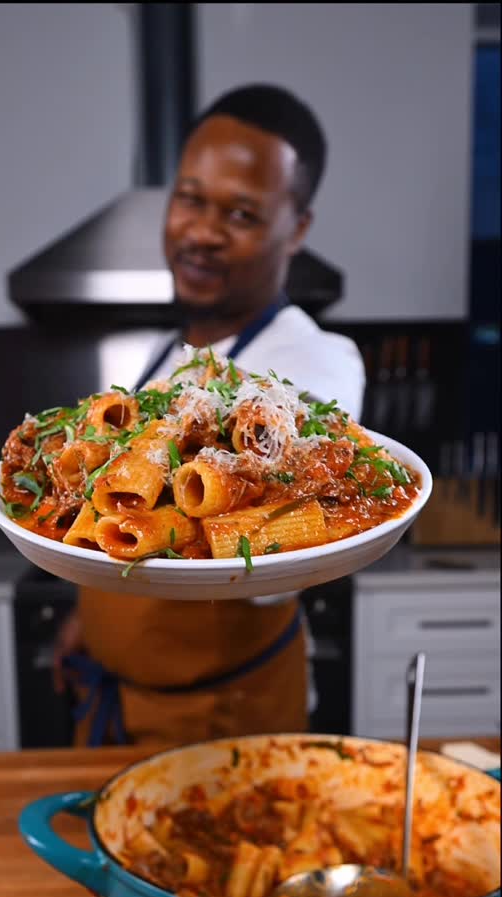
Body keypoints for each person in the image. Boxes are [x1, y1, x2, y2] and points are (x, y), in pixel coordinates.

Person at [52, 82, 365, 750]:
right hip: (115, 699)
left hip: (225, 720)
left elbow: (270, 559)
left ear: (298, 229)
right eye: (190, 198)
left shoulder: (316, 361)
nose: (201, 232)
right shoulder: (174, 355)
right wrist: (91, 617)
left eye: (242, 215)